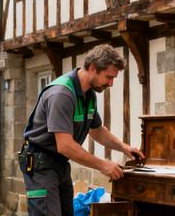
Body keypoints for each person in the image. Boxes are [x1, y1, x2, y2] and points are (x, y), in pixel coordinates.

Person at [19, 44, 145, 216]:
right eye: (109, 77)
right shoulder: (61, 94)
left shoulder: (88, 94)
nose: (111, 83)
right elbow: (65, 145)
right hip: (40, 164)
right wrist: (103, 165)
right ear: (93, 68)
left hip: (60, 164)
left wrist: (124, 147)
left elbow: (97, 130)